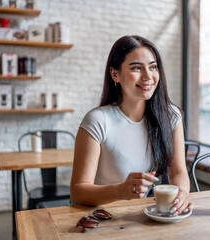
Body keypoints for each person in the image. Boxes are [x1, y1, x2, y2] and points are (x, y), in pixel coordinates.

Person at [70, 35, 193, 216]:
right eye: (136, 68)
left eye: (153, 67)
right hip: (99, 218)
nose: (148, 76)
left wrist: (181, 194)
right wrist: (120, 190)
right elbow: (78, 191)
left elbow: (179, 171)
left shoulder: (170, 116)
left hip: (138, 216)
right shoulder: (97, 120)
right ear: (115, 74)